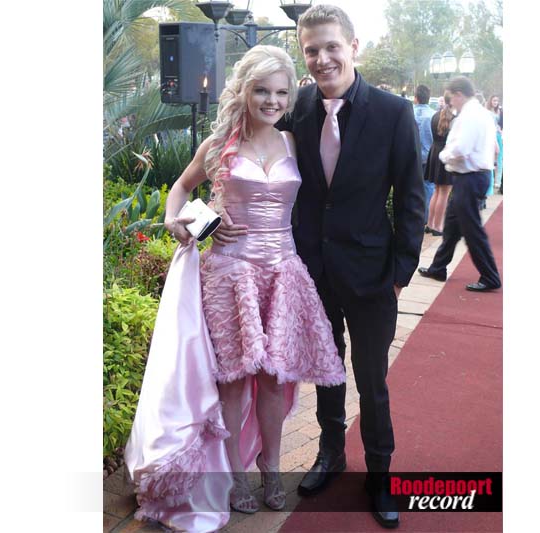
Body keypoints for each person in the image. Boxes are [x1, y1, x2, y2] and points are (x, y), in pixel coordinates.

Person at [217, 5, 425, 529]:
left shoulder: (394, 112)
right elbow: (238, 160)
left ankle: (380, 473)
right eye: (311, 50)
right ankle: (330, 454)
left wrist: (400, 273)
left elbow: (411, 198)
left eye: (332, 46)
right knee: (327, 372)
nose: (322, 58)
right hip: (309, 271)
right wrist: (210, 223)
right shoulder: (295, 107)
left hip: (373, 274)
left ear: (353, 46)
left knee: (371, 379)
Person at [124, 45, 346, 532]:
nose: (272, 101)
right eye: (262, 90)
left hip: (282, 272)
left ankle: (271, 468)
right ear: (244, 90)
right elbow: (181, 189)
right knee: (233, 380)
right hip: (229, 274)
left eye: (281, 93)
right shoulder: (219, 144)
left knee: (273, 379)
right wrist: (182, 222)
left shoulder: (292, 142)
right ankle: (235, 477)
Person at [418, 76, 501, 292]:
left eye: (451, 97)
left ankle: (490, 276)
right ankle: (438, 267)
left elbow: (461, 149)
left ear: (459, 94)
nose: (450, 102)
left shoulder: (470, 116)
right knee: (452, 227)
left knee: (472, 231)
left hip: (470, 177)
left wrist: (444, 156)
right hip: (472, 177)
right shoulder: (479, 113)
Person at [423, 91, 455, 236]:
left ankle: (430, 224)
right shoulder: (454, 119)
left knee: (437, 190)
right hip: (445, 154)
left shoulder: (435, 115)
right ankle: (438, 226)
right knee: (444, 193)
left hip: (435, 152)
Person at [413, 84, 436, 232]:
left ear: (416, 98)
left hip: (412, 156)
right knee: (428, 187)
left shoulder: (408, 112)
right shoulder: (434, 115)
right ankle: (426, 218)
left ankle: (414, 217)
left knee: (413, 187)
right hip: (428, 157)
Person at [487, 95, 503, 190]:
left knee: (499, 158)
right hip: (490, 136)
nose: (495, 102)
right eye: (494, 100)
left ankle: (498, 181)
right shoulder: (487, 111)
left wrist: (501, 129)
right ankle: (491, 181)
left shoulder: (500, 111)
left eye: (497, 100)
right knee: (491, 158)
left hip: (498, 135)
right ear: (490, 101)